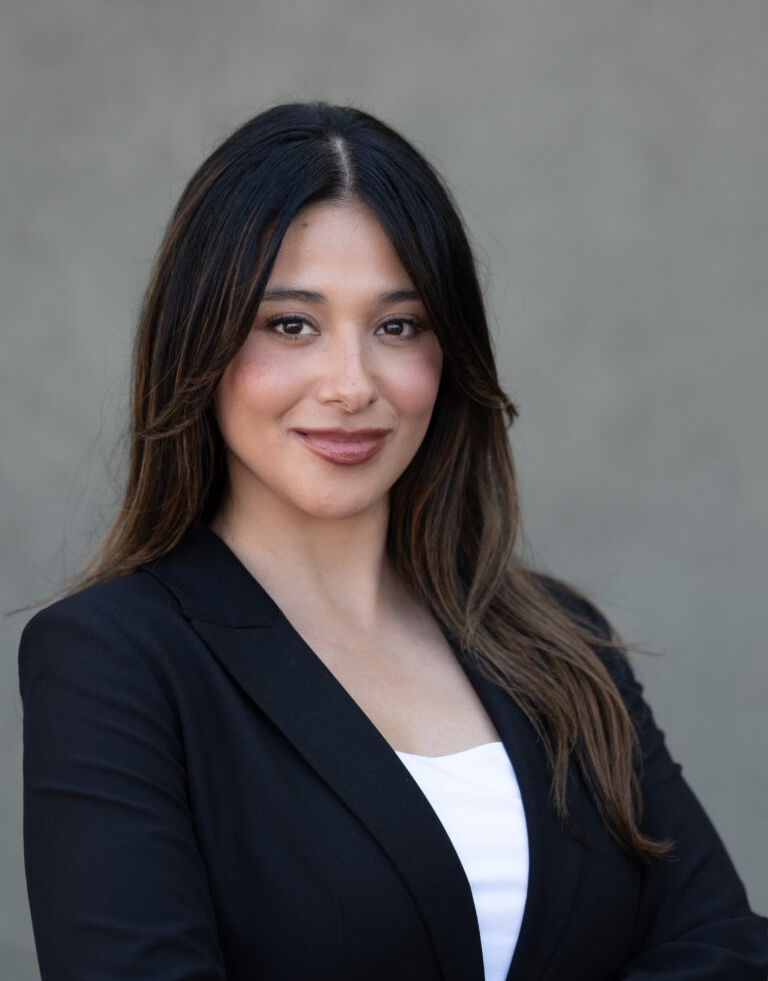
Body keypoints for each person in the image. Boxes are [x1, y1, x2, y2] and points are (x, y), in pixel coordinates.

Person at [19, 102, 767, 981]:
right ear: (197, 344)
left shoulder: (564, 643)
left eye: (398, 326)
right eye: (290, 324)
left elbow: (725, 947)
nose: (352, 385)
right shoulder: (114, 659)